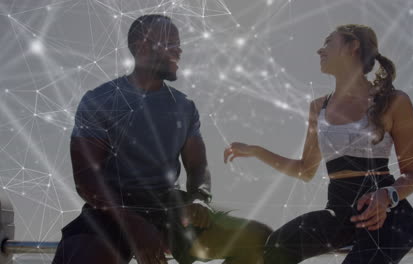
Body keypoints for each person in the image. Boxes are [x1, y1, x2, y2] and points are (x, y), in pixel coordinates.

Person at [52, 14, 271, 264]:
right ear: (142, 46)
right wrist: (134, 225)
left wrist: (200, 197)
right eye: (171, 43)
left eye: (179, 43)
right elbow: (86, 180)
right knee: (87, 255)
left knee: (257, 238)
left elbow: (198, 166)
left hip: (169, 208)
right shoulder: (99, 100)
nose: (179, 50)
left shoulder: (184, 106)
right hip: (111, 210)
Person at [224, 24, 413, 264]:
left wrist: (386, 196)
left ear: (353, 46)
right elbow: (305, 170)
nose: (319, 50)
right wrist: (256, 151)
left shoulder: (394, 101)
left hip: (390, 215)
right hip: (339, 212)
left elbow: (411, 176)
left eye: (328, 42)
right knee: (278, 245)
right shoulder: (318, 108)